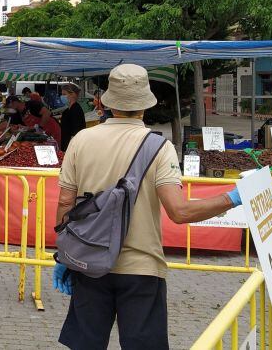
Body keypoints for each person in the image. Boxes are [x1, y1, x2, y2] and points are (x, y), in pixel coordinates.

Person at [54, 64, 242, 349]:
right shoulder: (158, 147)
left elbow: (65, 203)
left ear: (107, 102)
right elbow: (179, 212)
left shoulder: (81, 140)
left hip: (89, 261)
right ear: (144, 106)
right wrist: (232, 198)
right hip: (141, 268)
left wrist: (64, 254)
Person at [59, 84, 86, 152]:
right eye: (62, 94)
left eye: (64, 94)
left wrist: (71, 148)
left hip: (71, 146)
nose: (62, 97)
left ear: (73, 94)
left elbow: (77, 130)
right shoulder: (68, 110)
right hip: (66, 144)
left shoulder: (76, 109)